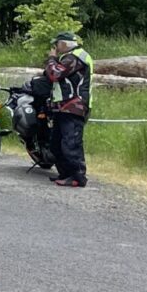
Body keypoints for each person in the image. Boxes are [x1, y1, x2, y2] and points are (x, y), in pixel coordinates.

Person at [45, 32, 94, 187]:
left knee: (71, 144)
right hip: (62, 107)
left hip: (74, 106)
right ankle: (65, 173)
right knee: (56, 143)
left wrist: (51, 59)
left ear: (64, 44)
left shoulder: (75, 57)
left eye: (57, 44)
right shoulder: (69, 57)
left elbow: (55, 74)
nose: (56, 48)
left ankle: (77, 177)